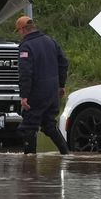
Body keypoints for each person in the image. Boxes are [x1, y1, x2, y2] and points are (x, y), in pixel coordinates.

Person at [15, 15, 69, 155]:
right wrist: (61, 85)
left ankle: (29, 162)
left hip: (37, 93)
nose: (19, 34)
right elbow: (63, 63)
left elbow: (26, 72)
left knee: (29, 127)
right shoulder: (50, 41)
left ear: (22, 29)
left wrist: (24, 96)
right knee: (49, 124)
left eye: (18, 31)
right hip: (52, 93)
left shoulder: (26, 46)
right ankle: (67, 154)